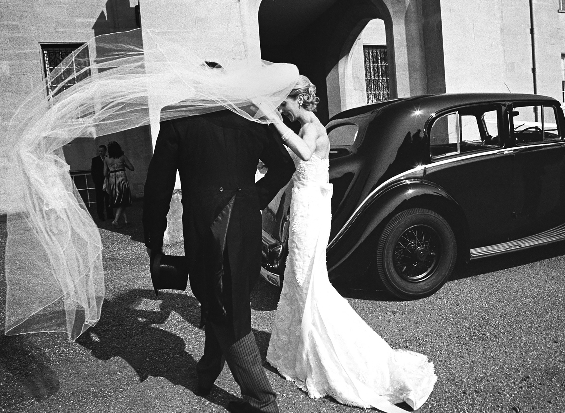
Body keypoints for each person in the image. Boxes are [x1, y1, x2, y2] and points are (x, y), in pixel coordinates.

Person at [263, 76, 437, 412]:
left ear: (297, 100)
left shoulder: (311, 127)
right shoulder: (306, 126)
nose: (281, 109)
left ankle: (339, 356)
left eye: (283, 103)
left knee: (307, 280)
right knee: (299, 279)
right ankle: (306, 353)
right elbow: (297, 165)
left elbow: (300, 151)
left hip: (311, 210)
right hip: (305, 205)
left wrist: (271, 122)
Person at [142, 104, 295, 412]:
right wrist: (252, 200)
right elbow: (283, 167)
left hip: (210, 228)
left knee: (226, 306)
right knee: (225, 298)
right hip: (245, 224)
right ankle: (207, 371)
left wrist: (154, 241)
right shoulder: (251, 118)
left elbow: (158, 188)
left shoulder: (179, 119)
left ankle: (262, 401)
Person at [104, 141, 134, 228]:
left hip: (112, 180)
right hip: (122, 179)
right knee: (123, 200)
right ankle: (115, 221)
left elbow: (105, 173)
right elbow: (132, 168)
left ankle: (126, 220)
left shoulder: (106, 159)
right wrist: (123, 164)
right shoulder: (122, 157)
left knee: (120, 200)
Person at [90, 144, 114, 221]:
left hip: (108, 181)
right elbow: (93, 172)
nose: (100, 152)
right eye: (99, 151)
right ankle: (101, 216)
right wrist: (96, 182)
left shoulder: (109, 159)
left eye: (102, 151)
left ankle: (110, 214)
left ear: (105, 151)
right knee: (100, 200)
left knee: (108, 199)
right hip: (99, 183)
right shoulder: (95, 160)